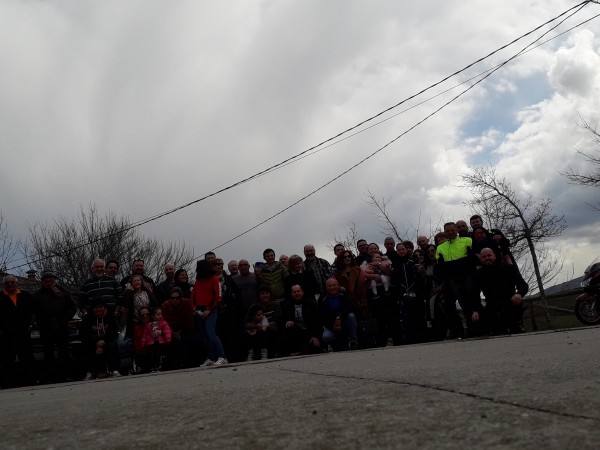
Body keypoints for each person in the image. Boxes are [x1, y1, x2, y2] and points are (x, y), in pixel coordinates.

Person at [435, 222, 480, 338]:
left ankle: (476, 330)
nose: (450, 232)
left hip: (467, 277)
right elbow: (440, 266)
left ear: (456, 230)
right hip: (452, 280)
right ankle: (462, 331)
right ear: (445, 232)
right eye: (447, 231)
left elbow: (474, 258)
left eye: (452, 230)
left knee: (471, 304)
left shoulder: (467, 241)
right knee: (456, 306)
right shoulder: (440, 247)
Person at [33, 269, 77, 382]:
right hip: (46, 328)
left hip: (61, 327)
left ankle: (65, 375)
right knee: (48, 353)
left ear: (55, 278)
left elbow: (72, 307)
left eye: (50, 277)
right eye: (45, 278)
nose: (48, 279)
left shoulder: (64, 292)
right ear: (42, 280)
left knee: (64, 352)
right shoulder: (37, 295)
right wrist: (40, 322)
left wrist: (65, 318)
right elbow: (34, 312)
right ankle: (50, 377)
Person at [475, 248, 529, 335]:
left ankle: (517, 326)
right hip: (492, 307)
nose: (487, 258)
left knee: (515, 331)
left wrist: (519, 294)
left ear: (494, 256)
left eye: (489, 255)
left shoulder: (509, 268)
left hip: (510, 304)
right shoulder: (479, 274)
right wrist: (475, 310)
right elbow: (474, 294)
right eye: (484, 257)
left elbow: (523, 285)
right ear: (481, 259)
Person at [190, 259, 227, 366]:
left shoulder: (214, 279)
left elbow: (217, 296)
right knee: (204, 336)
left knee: (211, 334)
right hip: (199, 310)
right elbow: (193, 296)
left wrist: (209, 309)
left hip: (210, 309)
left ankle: (222, 356)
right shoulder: (198, 281)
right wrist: (194, 309)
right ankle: (210, 357)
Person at [0, 275, 35, 388]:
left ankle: (30, 381)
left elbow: (34, 312)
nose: (10, 285)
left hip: (24, 332)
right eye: (7, 283)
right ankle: (9, 383)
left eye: (12, 282)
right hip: (6, 334)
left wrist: (31, 324)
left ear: (17, 284)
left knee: (27, 358)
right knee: (7, 359)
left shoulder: (25, 295)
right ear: (3, 285)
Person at [212, 258, 244, 363]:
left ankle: (234, 357)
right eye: (217, 264)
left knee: (232, 336)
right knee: (220, 335)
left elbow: (236, 294)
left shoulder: (228, 279)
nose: (220, 266)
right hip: (216, 312)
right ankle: (221, 356)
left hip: (229, 312)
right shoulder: (210, 279)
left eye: (221, 264)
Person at [80, 298, 120, 380]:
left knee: (113, 345)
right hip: (93, 343)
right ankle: (90, 372)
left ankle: (114, 370)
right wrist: (96, 344)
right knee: (85, 348)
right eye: (95, 308)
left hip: (107, 341)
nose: (98, 309)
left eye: (100, 307)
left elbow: (113, 333)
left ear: (104, 307)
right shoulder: (87, 318)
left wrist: (103, 342)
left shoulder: (110, 316)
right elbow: (84, 335)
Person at [281, 285, 322, 355]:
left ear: (302, 292)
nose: (297, 293)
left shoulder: (312, 304)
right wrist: (287, 321)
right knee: (290, 327)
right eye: (294, 292)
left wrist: (314, 336)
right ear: (291, 294)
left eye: (298, 291)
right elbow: (282, 319)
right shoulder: (286, 306)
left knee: (314, 348)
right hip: (296, 332)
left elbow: (317, 321)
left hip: (310, 332)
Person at [161, 287, 197, 369]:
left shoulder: (187, 303)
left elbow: (189, 319)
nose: (175, 300)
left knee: (190, 339)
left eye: (177, 298)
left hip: (185, 328)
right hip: (170, 330)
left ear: (181, 297)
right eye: (172, 298)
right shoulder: (165, 306)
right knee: (171, 342)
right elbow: (165, 321)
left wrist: (180, 331)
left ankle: (190, 363)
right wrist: (172, 331)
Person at [319, 278, 358, 351]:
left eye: (334, 285)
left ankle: (353, 342)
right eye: (330, 286)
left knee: (351, 316)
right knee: (326, 337)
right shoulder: (322, 298)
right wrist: (333, 326)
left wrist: (339, 317)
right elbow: (322, 317)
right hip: (331, 325)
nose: (332, 287)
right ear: (326, 287)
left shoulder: (344, 295)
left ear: (338, 286)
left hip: (345, 322)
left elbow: (351, 307)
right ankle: (338, 346)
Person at [333, 251, 369, 320]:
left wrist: (363, 300)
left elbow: (364, 285)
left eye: (349, 256)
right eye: (345, 257)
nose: (347, 258)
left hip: (360, 300)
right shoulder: (337, 273)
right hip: (346, 302)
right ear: (341, 259)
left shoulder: (358, 270)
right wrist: (340, 287)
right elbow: (335, 285)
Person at [121, 274, 158, 340]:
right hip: (136, 321)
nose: (137, 282)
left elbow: (155, 303)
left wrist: (151, 292)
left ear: (141, 282)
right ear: (131, 283)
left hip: (148, 319)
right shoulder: (130, 294)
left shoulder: (147, 292)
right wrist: (128, 291)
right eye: (134, 281)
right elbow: (126, 305)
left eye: (138, 280)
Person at [142, 307, 172, 372]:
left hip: (160, 342)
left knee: (159, 354)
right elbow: (145, 334)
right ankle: (153, 366)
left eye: (161, 314)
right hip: (151, 343)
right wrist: (143, 342)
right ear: (153, 316)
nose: (160, 316)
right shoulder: (149, 325)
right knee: (152, 355)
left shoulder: (163, 323)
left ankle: (159, 366)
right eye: (158, 315)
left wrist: (168, 339)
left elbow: (167, 331)